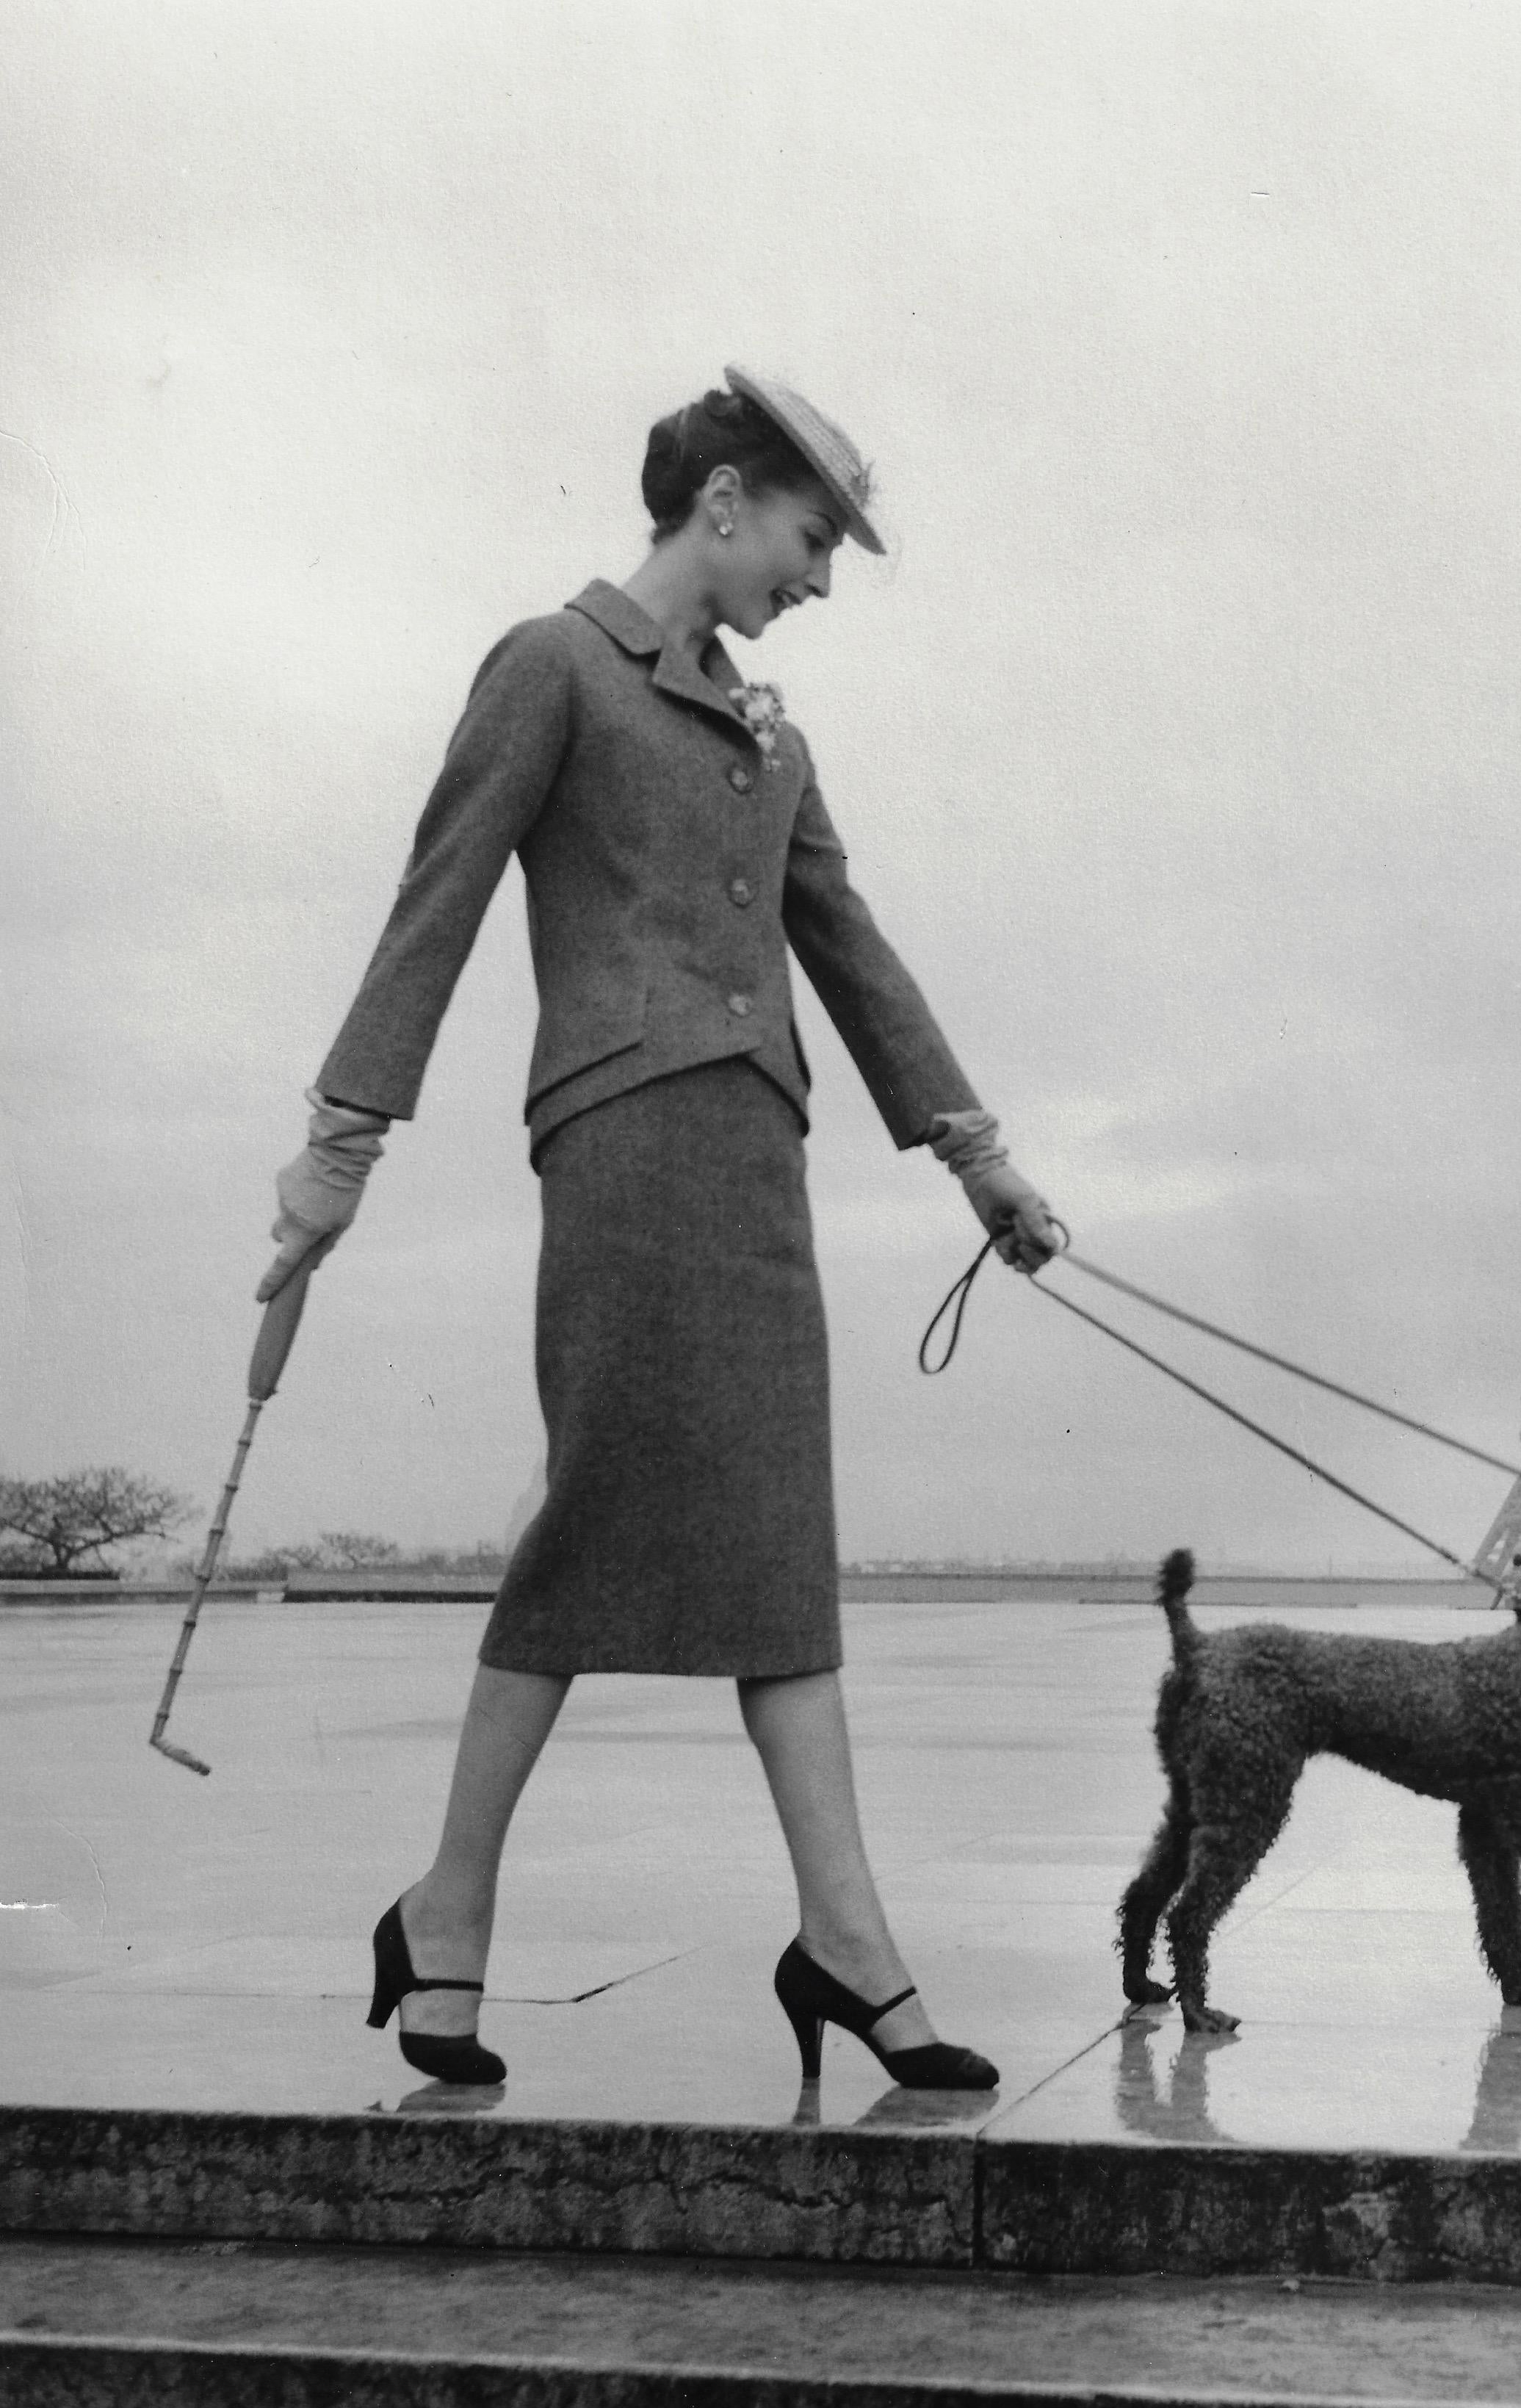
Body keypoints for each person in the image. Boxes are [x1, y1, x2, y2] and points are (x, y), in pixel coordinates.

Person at [259, 368, 1061, 2091]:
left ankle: (840, 1938)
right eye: (809, 536)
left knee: (779, 1539)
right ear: (719, 502)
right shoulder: (551, 665)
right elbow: (438, 901)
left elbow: (853, 949)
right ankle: (453, 1906)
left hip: (757, 1152)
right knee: (599, 1519)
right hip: (621, 1143)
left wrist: (976, 1154)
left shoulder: (773, 731)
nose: (822, 580)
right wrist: (344, 1140)